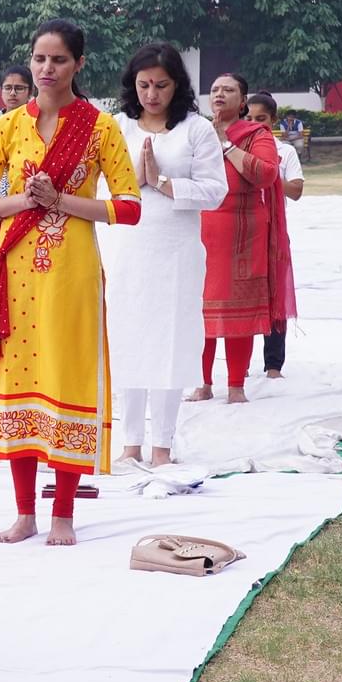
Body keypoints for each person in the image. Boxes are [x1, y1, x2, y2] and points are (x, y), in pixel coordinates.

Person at [0, 20, 141, 547]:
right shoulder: (7, 126)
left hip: (71, 273)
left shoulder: (99, 127)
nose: (46, 69)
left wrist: (61, 202)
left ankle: (63, 513)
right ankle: (24, 514)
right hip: (13, 271)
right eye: (39, 58)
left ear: (78, 64)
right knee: (16, 386)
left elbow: (129, 208)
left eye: (58, 60)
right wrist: (23, 201)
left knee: (68, 380)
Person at [100, 44, 226, 465]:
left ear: (177, 85)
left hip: (175, 251)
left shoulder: (196, 130)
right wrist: (135, 179)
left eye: (161, 85)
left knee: (170, 342)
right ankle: (130, 443)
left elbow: (215, 191)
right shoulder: (117, 126)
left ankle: (162, 447)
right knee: (128, 339)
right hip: (127, 248)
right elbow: (100, 187)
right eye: (144, 85)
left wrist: (162, 182)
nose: (151, 94)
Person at [192, 73, 292, 404]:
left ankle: (236, 386)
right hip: (199, 232)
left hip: (242, 236)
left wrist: (226, 143)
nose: (219, 94)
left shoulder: (256, 134)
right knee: (197, 310)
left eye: (228, 89)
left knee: (240, 312)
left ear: (243, 101)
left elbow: (265, 174)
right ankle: (202, 383)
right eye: (214, 89)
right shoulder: (196, 131)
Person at [246, 92, 303, 379]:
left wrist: (268, 174)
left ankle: (273, 365)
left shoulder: (285, 152)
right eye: (249, 118)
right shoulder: (235, 149)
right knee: (243, 296)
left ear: (273, 120)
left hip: (274, 233)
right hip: (244, 232)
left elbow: (296, 191)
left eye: (261, 119)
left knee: (275, 296)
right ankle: (239, 365)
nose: (255, 124)